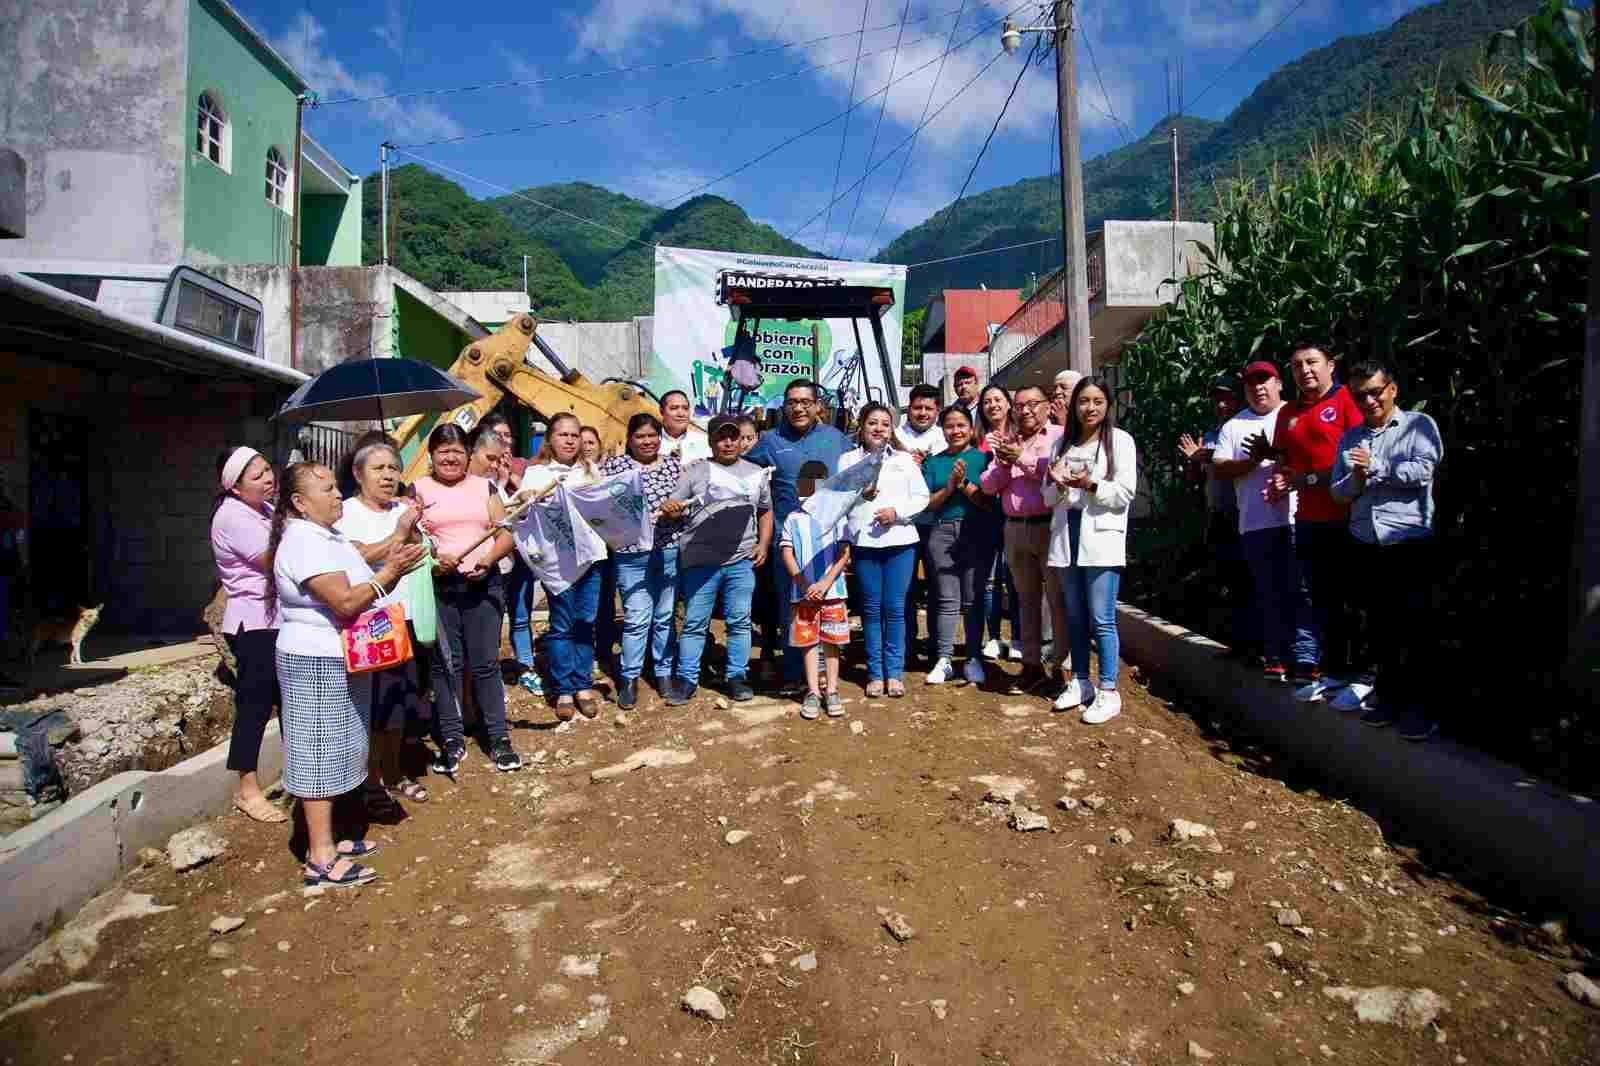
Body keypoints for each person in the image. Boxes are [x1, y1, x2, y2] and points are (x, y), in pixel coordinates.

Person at [266, 463, 425, 887]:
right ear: (299, 503)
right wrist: (389, 574)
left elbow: (363, 567)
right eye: (327, 489)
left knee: (340, 747)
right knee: (318, 754)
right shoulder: (302, 541)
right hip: (315, 660)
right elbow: (344, 602)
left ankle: (333, 838)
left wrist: (397, 549)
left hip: (340, 657)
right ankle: (319, 856)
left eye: (337, 487)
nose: (338, 495)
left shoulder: (327, 534)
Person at [1331, 358, 1444, 740]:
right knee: (1379, 628)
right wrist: (1358, 478)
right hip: (1366, 542)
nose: (1368, 401)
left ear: (1392, 389)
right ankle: (1389, 699)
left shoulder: (1419, 426)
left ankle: (1420, 709)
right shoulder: (1350, 438)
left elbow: (1423, 471)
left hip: (1407, 542)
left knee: (1414, 628)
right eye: (1359, 395)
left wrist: (1376, 467)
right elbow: (1338, 491)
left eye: (1375, 392)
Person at [1246, 342, 1363, 685]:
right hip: (1308, 518)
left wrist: (1306, 478)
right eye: (1297, 365)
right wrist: (1282, 477)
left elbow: (1356, 459)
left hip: (1346, 514)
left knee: (1350, 598)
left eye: (1312, 362)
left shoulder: (1346, 402)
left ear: (1331, 364)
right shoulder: (1289, 413)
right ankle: (1333, 672)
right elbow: (1285, 460)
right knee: (1320, 597)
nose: (1305, 370)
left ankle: (1359, 675)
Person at [412, 425, 521, 773]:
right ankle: (451, 739)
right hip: (441, 587)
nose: (450, 456)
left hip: (483, 584)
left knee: (486, 664)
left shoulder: (484, 486)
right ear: (431, 455)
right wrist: (432, 559)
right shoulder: (417, 490)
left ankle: (499, 739)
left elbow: (505, 534)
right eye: (442, 449)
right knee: (447, 666)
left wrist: (487, 561)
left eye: (457, 449)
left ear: (468, 454)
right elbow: (411, 538)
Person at [336, 440, 431, 810]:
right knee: (373, 707)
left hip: (405, 618)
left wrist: (415, 532)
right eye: (379, 468)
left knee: (400, 702)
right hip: (370, 623)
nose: (389, 475)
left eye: (394, 467)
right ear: (358, 474)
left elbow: (420, 552)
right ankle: (370, 781)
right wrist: (397, 535)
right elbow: (352, 554)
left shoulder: (402, 510)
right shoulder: (344, 513)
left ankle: (393, 773)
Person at [746, 379, 850, 694]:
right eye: (792, 401)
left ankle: (822, 672)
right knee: (791, 608)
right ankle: (793, 672)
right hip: (788, 544)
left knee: (830, 606)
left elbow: (858, 476)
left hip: (828, 541)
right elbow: (742, 473)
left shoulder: (837, 439)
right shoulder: (770, 441)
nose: (798, 407)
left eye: (805, 401)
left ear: (818, 405)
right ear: (784, 406)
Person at [1044, 378, 1137, 722]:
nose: (1090, 408)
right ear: (1074, 406)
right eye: (1084, 401)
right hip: (1067, 538)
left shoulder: (1120, 442)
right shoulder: (1062, 445)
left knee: (1102, 617)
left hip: (1101, 540)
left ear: (1108, 405)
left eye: (1098, 401)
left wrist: (1091, 484)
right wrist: (1056, 483)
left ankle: (1109, 690)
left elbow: (1125, 493)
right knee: (1075, 616)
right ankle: (1081, 681)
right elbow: (1047, 498)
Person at [662, 415, 773, 703]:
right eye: (721, 437)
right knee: (695, 623)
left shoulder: (754, 472)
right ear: (711, 441)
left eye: (733, 437)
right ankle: (687, 678)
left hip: (740, 561)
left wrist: (763, 543)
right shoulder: (694, 472)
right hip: (700, 562)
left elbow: (765, 510)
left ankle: (736, 676)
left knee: (739, 621)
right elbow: (673, 509)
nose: (727, 442)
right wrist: (672, 508)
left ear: (740, 440)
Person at [1212, 362, 1312, 680]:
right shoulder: (1234, 426)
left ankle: (1306, 658)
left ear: (1279, 383)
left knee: (1302, 590)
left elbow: (1313, 457)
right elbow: (1221, 468)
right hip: (1256, 523)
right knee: (1268, 592)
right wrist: (1254, 460)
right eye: (1251, 383)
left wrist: (1277, 456)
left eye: (1264, 381)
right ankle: (1276, 656)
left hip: (1299, 517)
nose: (1258, 388)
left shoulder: (1295, 414)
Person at [210, 446, 285, 823]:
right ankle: (247, 788)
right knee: (254, 706)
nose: (268, 479)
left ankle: (301, 776)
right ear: (236, 488)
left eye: (268, 470)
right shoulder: (232, 516)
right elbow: (272, 559)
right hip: (254, 623)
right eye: (257, 476)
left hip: (280, 619)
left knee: (292, 703)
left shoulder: (267, 510)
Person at [980, 384, 1069, 695]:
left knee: (1058, 601)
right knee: (1026, 601)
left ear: (1047, 406)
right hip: (1014, 528)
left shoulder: (1060, 437)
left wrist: (1021, 459)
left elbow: (1058, 474)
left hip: (1050, 527)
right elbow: (988, 485)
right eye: (1020, 406)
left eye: (1033, 404)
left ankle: (1062, 669)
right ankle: (1031, 666)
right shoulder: (1009, 441)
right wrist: (1005, 461)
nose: (1026, 410)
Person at [839, 404, 929, 698]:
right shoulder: (848, 460)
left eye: (885, 424)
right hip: (864, 543)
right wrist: (858, 494)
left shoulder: (904, 460)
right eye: (872, 423)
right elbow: (836, 502)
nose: (878, 428)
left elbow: (921, 497)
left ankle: (895, 673)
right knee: (871, 609)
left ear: (892, 430)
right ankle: (875, 673)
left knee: (895, 608)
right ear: (861, 427)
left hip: (900, 542)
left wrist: (897, 513)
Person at [521, 414, 605, 720]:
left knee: (585, 623)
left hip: (591, 558)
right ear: (550, 439)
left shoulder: (591, 470)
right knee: (561, 627)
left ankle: (583, 685)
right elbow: (519, 514)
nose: (570, 440)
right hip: (558, 564)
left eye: (574, 435)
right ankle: (563, 690)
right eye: (563, 435)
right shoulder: (536, 474)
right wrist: (527, 498)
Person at [600, 414, 685, 710]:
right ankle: (629, 677)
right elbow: (604, 506)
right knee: (636, 618)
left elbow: (685, 504)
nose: (647, 441)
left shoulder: (674, 466)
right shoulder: (616, 466)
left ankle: (663, 674)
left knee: (664, 617)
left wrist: (676, 512)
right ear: (630, 438)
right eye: (640, 436)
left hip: (668, 549)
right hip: (630, 553)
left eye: (652, 436)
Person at [1179, 374, 1254, 659]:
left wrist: (1205, 456)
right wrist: (1192, 464)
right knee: (1226, 580)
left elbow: (1241, 464)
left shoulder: (1246, 428)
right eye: (1218, 399)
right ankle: (1236, 642)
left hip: (1244, 515)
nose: (1222, 404)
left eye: (1228, 398)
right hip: (1217, 515)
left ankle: (1256, 647)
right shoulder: (1211, 435)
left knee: (1248, 579)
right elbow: (1198, 477)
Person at [921, 405, 993, 687]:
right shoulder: (933, 463)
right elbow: (927, 503)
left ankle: (973, 657)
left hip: (975, 529)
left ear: (971, 428)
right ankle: (945, 659)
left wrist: (963, 484)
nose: (956, 431)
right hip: (941, 532)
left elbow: (988, 503)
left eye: (961, 425)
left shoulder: (983, 459)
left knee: (973, 598)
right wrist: (950, 486)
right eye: (950, 425)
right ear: (943, 430)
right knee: (947, 598)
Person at [779, 468, 851, 720]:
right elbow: (786, 552)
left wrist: (824, 583)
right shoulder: (792, 518)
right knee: (808, 642)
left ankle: (831, 690)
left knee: (832, 642)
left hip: (832, 592)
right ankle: (813, 691)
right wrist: (803, 583)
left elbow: (844, 554)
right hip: (803, 594)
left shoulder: (838, 517)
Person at [975, 384, 1022, 663]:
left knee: (1017, 580)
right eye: (987, 401)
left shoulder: (1021, 434)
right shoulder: (978, 437)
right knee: (991, 580)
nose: (992, 405)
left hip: (1016, 511)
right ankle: (993, 637)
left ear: (1008, 403)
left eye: (998, 399)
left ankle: (1017, 637)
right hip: (988, 514)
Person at [658, 390, 712, 463]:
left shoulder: (705, 442)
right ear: (661, 411)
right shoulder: (648, 443)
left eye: (685, 408)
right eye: (674, 408)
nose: (681, 414)